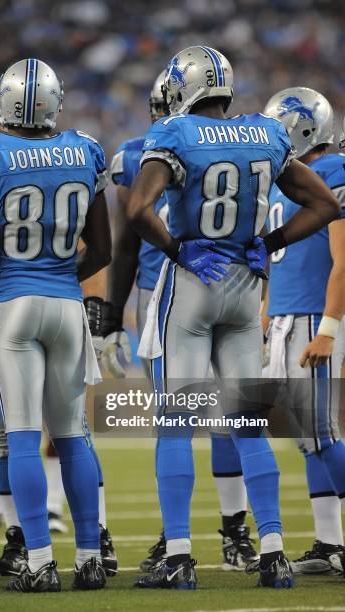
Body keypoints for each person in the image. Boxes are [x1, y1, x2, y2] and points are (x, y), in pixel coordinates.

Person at [128, 45, 339, 589]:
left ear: (183, 86)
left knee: (176, 422)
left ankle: (178, 556)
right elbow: (324, 206)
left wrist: (178, 250)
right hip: (247, 289)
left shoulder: (174, 134)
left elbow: (137, 210)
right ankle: (273, 552)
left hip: (195, 280)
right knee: (249, 425)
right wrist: (268, 243)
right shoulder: (265, 134)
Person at [0, 59, 111, 593]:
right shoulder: (84, 149)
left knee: (21, 439)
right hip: (68, 305)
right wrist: (57, 277)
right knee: (73, 437)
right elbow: (103, 249)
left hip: (12, 305)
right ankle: (90, 558)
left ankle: (40, 562)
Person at [108, 70, 256, 572]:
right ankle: (222, 535)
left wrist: (110, 315)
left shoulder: (143, 150)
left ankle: (192, 541)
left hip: (171, 293)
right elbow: (127, 241)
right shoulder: (236, 141)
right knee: (221, 419)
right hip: (204, 288)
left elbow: (128, 240)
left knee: (182, 422)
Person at [263, 87, 345, 574]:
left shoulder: (334, 170)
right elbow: (281, 256)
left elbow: (343, 257)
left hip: (316, 315)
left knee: (323, 431)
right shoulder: (281, 177)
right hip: (288, 316)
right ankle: (329, 544)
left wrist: (330, 326)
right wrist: (268, 312)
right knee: (306, 437)